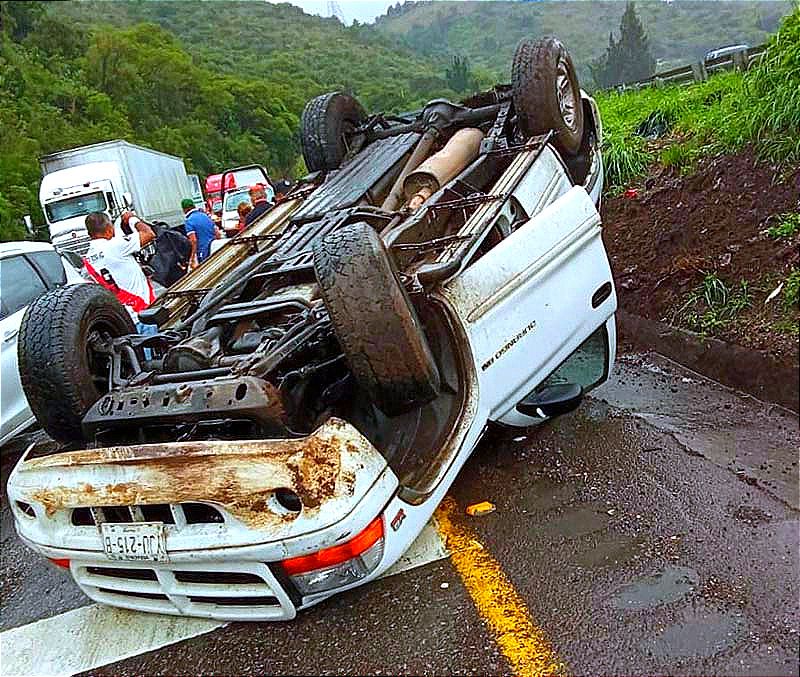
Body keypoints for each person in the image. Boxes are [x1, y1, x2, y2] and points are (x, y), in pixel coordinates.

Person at [83, 211, 156, 331]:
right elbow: (149, 234)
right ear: (109, 229)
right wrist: (132, 219)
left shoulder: (87, 261)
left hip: (122, 318)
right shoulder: (116, 245)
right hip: (142, 312)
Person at [182, 197, 219, 267]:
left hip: (203, 252)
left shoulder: (189, 221)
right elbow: (217, 232)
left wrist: (193, 256)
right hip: (214, 247)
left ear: (185, 209)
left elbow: (194, 241)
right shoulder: (205, 216)